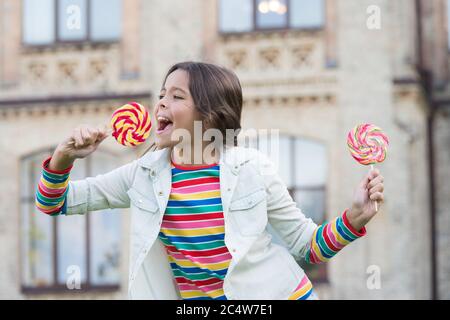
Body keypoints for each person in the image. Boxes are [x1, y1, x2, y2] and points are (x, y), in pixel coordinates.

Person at [36, 61, 385, 300]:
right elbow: (55, 203)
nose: (160, 104)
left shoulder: (252, 168)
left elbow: (305, 245)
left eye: (176, 96)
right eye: (160, 95)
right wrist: (64, 157)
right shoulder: (142, 174)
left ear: (211, 114)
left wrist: (353, 219)